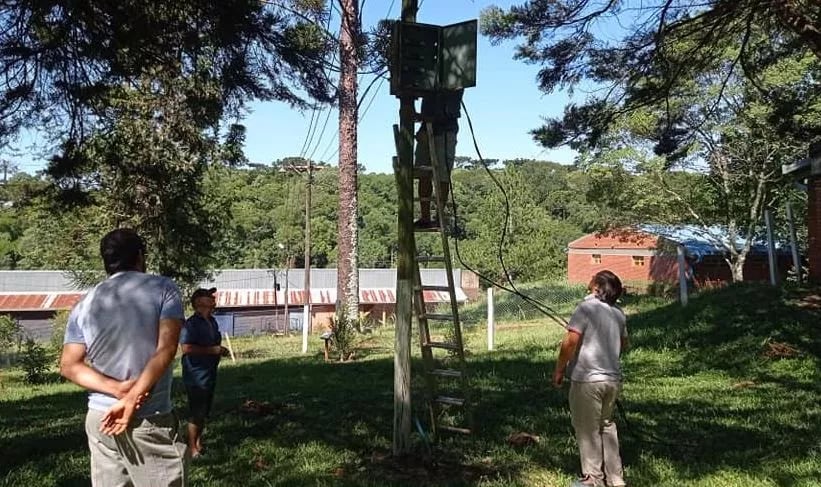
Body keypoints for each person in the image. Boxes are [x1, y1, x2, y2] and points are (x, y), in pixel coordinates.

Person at [60, 228, 187, 486]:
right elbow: (166, 349)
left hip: (100, 420)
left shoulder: (85, 303)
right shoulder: (164, 288)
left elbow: (69, 365)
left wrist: (116, 389)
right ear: (140, 256)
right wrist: (130, 399)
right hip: (148, 417)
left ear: (106, 261)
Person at [553, 270, 628, 487]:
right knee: (605, 425)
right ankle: (615, 478)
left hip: (587, 380)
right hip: (612, 380)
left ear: (597, 287)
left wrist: (559, 370)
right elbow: (624, 344)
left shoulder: (585, 308)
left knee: (587, 430)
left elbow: (570, 342)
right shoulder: (618, 313)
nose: (589, 279)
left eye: (593, 277)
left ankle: (593, 480)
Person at [180, 287, 225, 458]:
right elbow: (186, 348)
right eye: (208, 296)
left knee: (204, 411)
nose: (213, 299)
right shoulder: (191, 324)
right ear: (199, 302)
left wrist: (219, 351)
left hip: (210, 371)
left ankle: (199, 443)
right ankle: (191, 448)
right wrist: (212, 350)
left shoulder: (212, 321)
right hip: (196, 373)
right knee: (197, 410)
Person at [414, 89, 463, 229]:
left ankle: (439, 218)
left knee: (442, 176)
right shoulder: (427, 80)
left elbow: (449, 113)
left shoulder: (454, 83)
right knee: (423, 174)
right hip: (426, 131)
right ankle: (425, 218)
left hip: (445, 132)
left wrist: (423, 118)